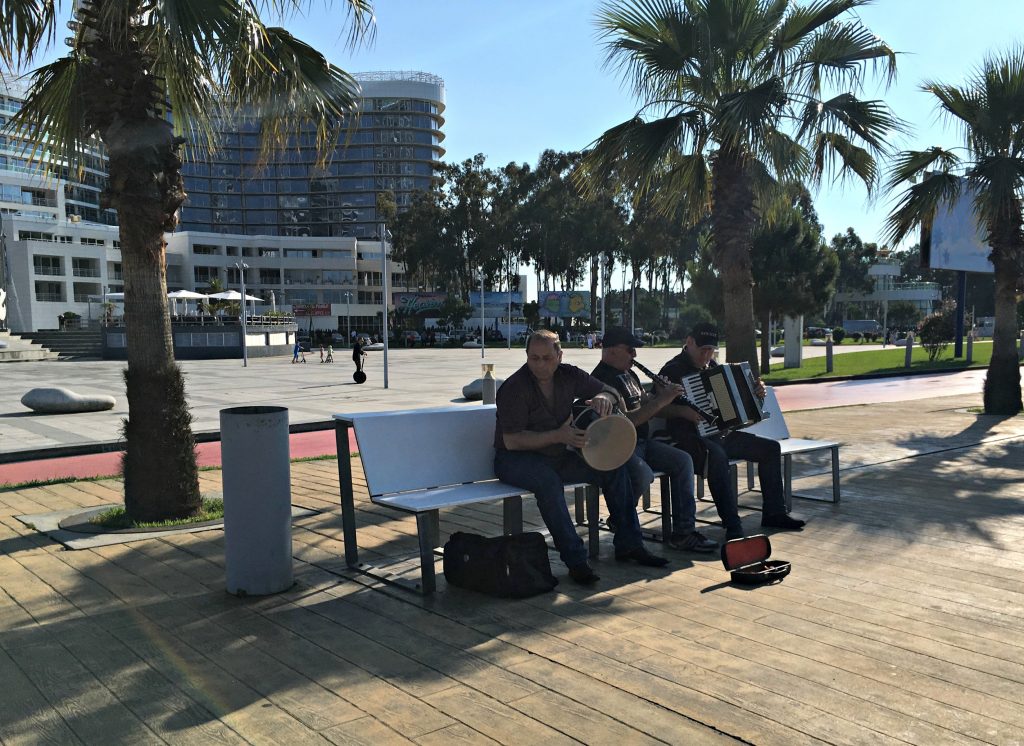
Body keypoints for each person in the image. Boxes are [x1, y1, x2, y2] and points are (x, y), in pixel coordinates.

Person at [494, 329, 668, 585]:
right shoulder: (514, 388)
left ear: (559, 355)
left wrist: (602, 397)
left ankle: (630, 544)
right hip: (514, 460)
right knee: (548, 482)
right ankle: (576, 560)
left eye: (547, 358)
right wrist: (559, 436)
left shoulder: (569, 374)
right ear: (527, 356)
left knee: (612, 467)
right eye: (534, 358)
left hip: (555, 455)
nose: (541, 364)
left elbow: (610, 391)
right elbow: (513, 440)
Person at [659, 322, 806, 539]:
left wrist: (757, 392)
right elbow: (659, 409)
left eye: (710, 350)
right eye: (702, 350)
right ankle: (732, 524)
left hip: (719, 434)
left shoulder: (712, 368)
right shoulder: (671, 370)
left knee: (770, 449)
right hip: (688, 439)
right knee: (717, 456)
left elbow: (733, 405)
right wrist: (683, 412)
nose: (706, 355)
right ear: (688, 342)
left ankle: (775, 513)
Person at [591, 327, 717, 553]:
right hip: (620, 447)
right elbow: (627, 421)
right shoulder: (600, 380)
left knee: (683, 461)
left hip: (643, 443)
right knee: (643, 474)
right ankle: (622, 520)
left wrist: (661, 394)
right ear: (610, 351)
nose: (635, 355)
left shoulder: (629, 373)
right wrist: (662, 400)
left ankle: (684, 533)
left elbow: (644, 402)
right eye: (630, 350)